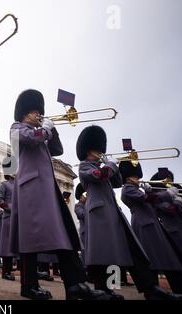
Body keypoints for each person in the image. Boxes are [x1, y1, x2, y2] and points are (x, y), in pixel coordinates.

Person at [9, 89, 108, 300]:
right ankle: (29, 286)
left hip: (47, 191)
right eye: (35, 111)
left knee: (64, 234)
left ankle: (75, 285)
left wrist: (53, 128)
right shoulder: (17, 128)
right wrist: (44, 129)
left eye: (40, 111)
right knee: (30, 239)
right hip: (31, 189)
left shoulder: (41, 134)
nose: (38, 114)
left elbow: (58, 150)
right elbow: (33, 139)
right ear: (25, 113)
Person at [77, 125, 182, 300]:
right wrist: (109, 165)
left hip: (113, 214)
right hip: (99, 215)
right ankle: (106, 290)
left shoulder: (104, 166)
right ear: (89, 150)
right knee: (105, 254)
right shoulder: (84, 166)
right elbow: (99, 175)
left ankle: (150, 288)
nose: (100, 152)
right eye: (97, 149)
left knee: (132, 252)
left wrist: (120, 167)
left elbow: (117, 182)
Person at [120, 161, 182, 297]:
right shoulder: (128, 189)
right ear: (128, 177)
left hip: (151, 224)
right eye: (135, 176)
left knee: (165, 258)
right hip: (144, 225)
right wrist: (167, 194)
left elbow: (150, 199)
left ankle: (178, 289)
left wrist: (150, 190)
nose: (138, 179)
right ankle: (155, 290)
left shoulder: (136, 188)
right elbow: (148, 199)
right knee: (155, 259)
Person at [0, 158, 17, 281]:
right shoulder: (5, 184)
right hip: (9, 218)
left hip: (19, 219)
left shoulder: (18, 184)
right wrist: (11, 208)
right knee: (7, 246)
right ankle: (6, 271)